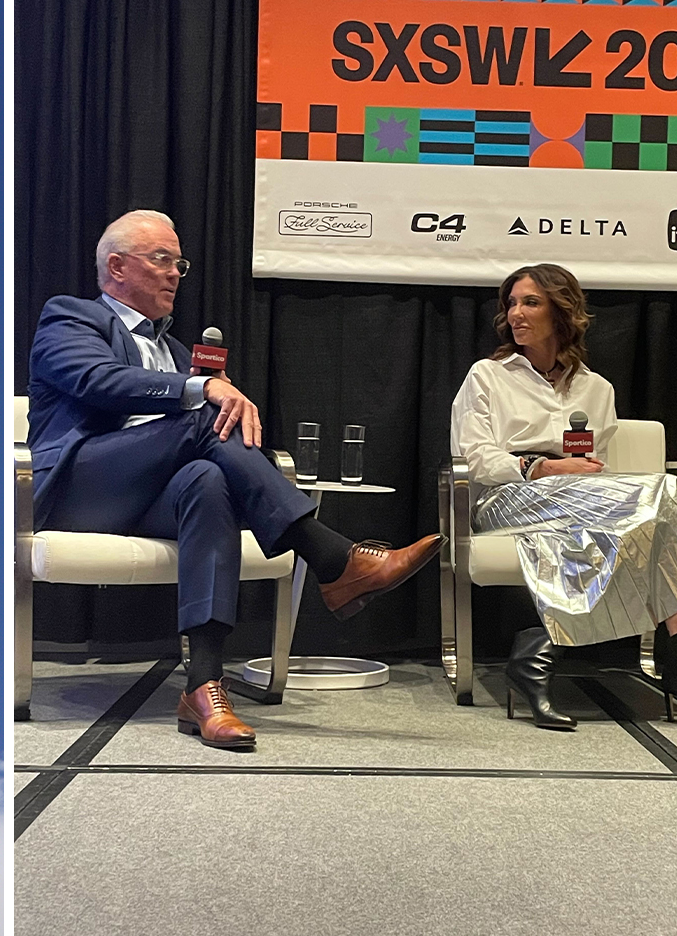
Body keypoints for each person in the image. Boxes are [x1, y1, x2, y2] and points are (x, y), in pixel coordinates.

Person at [26, 209, 443, 750]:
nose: (176, 272)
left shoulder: (177, 352)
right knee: (204, 418)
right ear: (117, 267)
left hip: (153, 492)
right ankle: (333, 558)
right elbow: (95, 379)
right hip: (81, 488)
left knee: (207, 480)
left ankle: (203, 685)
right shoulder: (71, 317)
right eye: (161, 260)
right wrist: (200, 391)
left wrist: (204, 388)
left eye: (180, 262)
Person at [450, 263, 677, 731]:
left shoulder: (597, 388)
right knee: (669, 491)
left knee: (657, 505)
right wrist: (543, 466)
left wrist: (580, 476)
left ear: (562, 312)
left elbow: (598, 463)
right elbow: (473, 456)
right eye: (511, 303)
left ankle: (535, 654)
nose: (516, 313)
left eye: (530, 302)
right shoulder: (487, 376)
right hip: (506, 496)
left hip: (579, 499)